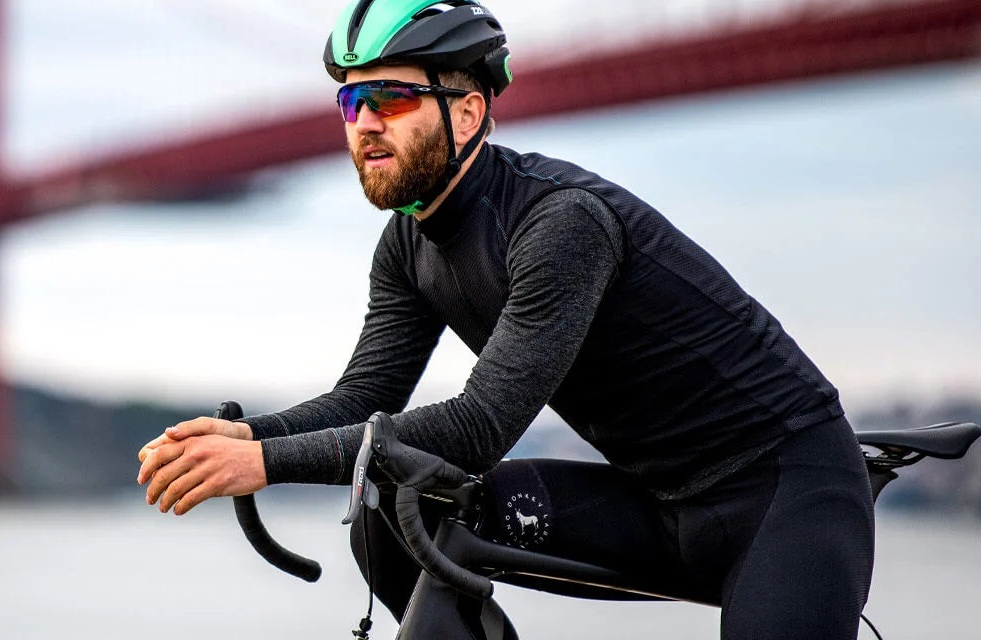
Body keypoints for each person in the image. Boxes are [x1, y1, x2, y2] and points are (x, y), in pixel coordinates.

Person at [134, 1, 874, 638]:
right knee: (401, 507)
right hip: (659, 506)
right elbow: (365, 400)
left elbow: (480, 427)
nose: (365, 124)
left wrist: (266, 465)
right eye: (351, 104)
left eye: (391, 100)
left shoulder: (561, 223)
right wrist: (249, 438)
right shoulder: (407, 242)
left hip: (786, 492)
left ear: (467, 112)